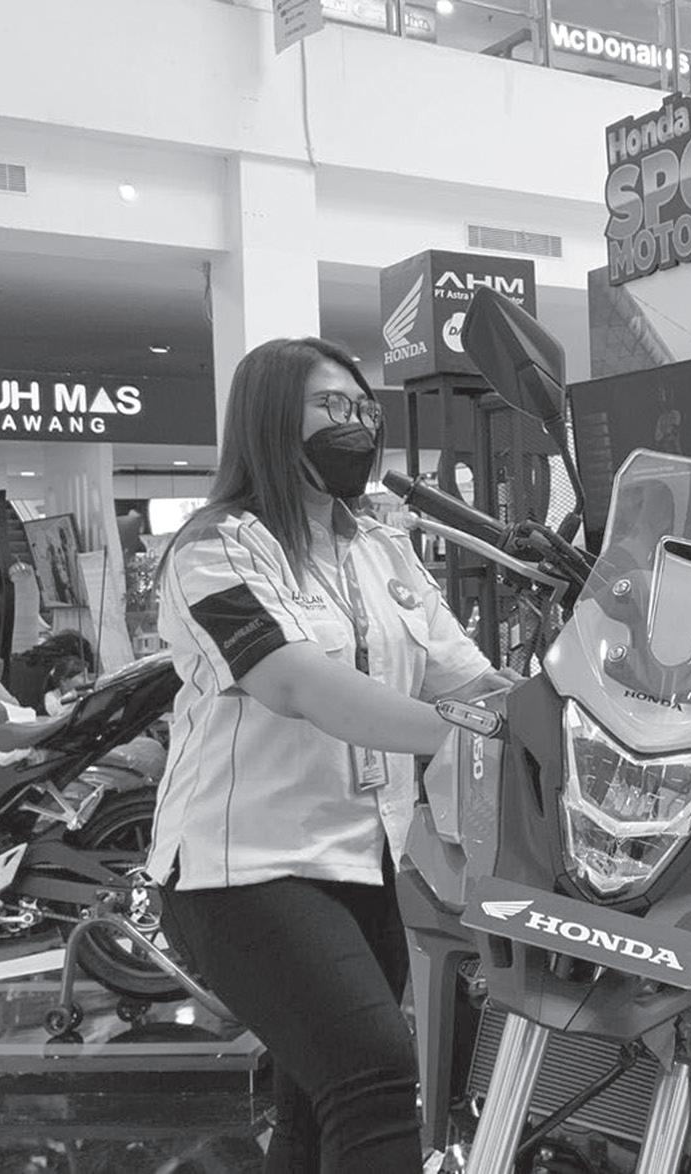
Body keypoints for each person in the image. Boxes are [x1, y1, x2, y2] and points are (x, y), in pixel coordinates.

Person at [151, 337, 505, 1174]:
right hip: (244, 868)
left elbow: (472, 678)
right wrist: (464, 733)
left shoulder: (382, 550)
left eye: (363, 408)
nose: (356, 424)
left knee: (314, 1108)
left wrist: (564, 711)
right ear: (272, 418)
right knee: (376, 1079)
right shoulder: (216, 548)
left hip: (368, 861)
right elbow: (295, 681)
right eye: (330, 406)